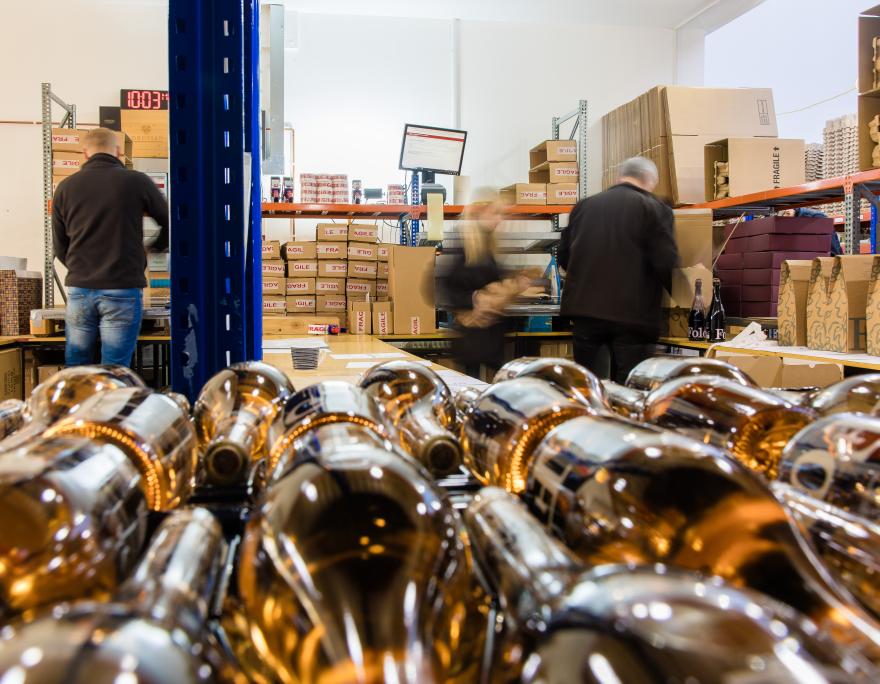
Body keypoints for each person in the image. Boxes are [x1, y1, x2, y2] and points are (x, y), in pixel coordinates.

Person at [52, 127, 169, 367]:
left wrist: (79, 268)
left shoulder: (66, 187)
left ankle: (80, 405)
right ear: (117, 151)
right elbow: (170, 221)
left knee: (77, 365)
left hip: (80, 290)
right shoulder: (136, 181)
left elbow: (59, 243)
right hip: (122, 287)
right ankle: (113, 404)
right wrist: (151, 249)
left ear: (85, 153)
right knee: (115, 368)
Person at [558, 157, 678, 383]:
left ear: (619, 177)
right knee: (629, 387)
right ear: (649, 180)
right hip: (632, 315)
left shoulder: (584, 206)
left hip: (585, 312)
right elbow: (665, 261)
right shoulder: (654, 208)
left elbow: (563, 255)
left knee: (588, 385)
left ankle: (589, 418)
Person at [437, 189, 527, 379]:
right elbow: (443, 289)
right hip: (472, 341)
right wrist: (475, 299)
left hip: (490, 339)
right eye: (495, 213)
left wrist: (513, 285)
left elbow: (492, 282)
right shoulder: (463, 243)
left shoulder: (488, 245)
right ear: (480, 211)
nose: (499, 220)